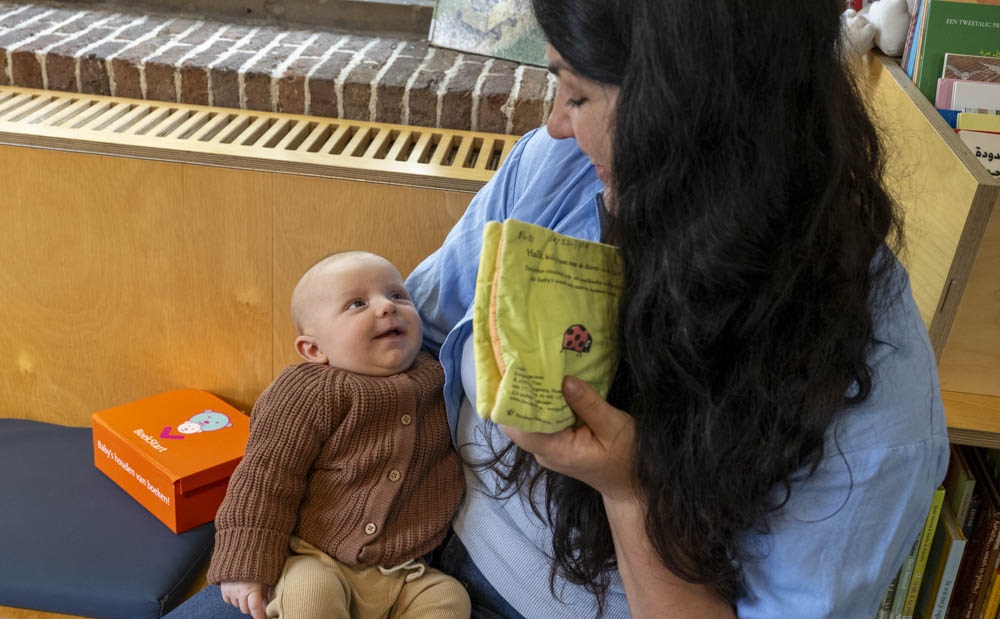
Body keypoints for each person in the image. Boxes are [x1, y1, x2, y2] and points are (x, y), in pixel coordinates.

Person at [166, 1, 948, 618]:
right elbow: (423, 332)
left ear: (696, 117)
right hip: (377, 551)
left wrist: (631, 491)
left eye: (578, 92)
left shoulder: (873, 404)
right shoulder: (561, 171)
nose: (553, 124)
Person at [205, 251, 469, 619]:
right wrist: (244, 565)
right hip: (316, 556)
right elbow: (265, 477)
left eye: (397, 296)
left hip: (405, 572)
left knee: (450, 598)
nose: (386, 308)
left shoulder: (440, 377)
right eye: (357, 304)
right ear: (314, 349)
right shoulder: (308, 390)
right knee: (312, 595)